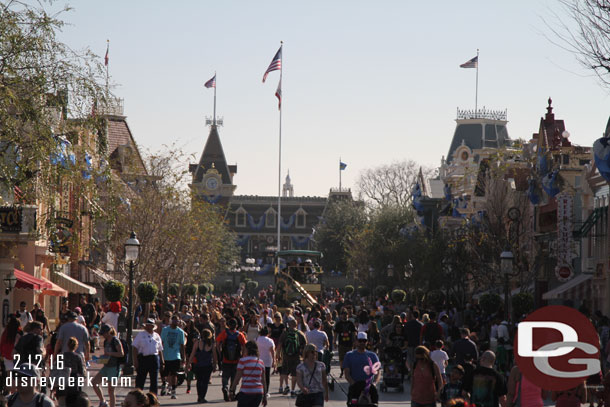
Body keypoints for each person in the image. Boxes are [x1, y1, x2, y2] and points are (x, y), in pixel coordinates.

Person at [343, 332, 380, 405]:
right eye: (360, 341)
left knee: (374, 402)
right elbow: (347, 373)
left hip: (369, 386)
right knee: (352, 403)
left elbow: (378, 372)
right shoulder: (349, 355)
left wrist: (375, 383)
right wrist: (353, 383)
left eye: (364, 341)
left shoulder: (372, 355)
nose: (362, 343)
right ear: (356, 341)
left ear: (367, 342)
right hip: (355, 385)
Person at [91, 324, 124, 407]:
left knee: (111, 390)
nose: (103, 335)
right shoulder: (106, 342)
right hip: (107, 366)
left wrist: (110, 353)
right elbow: (106, 354)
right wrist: (99, 359)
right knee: (94, 382)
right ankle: (103, 401)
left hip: (114, 367)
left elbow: (121, 353)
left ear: (108, 332)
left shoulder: (115, 340)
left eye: (104, 333)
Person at [216, 318, 247, 401]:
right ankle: (231, 392)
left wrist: (220, 352)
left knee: (225, 376)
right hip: (236, 359)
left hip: (226, 359)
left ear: (228, 325)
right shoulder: (239, 335)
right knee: (234, 377)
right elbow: (245, 345)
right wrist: (242, 355)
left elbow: (217, 342)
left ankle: (225, 387)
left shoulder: (224, 333)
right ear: (236, 325)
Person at [229, 340, 267, 407]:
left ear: (247, 349)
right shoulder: (261, 362)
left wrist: (232, 390)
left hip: (246, 392)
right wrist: (265, 396)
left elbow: (237, 378)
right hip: (258, 393)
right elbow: (263, 381)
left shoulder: (242, 361)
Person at [132, 318, 165, 395]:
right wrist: (135, 361)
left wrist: (162, 362)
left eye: (151, 325)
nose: (149, 327)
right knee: (140, 380)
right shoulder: (141, 335)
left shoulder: (157, 336)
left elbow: (160, 349)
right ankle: (138, 397)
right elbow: (134, 348)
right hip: (143, 358)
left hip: (154, 358)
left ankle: (153, 397)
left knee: (154, 381)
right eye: (148, 325)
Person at [277, 317, 307, 397]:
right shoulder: (300, 333)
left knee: (284, 372)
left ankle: (285, 386)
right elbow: (305, 346)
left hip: (286, 356)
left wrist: (278, 355)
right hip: (296, 357)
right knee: (294, 374)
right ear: (296, 325)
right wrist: (304, 357)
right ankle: (293, 390)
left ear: (289, 325)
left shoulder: (284, 333)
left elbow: (279, 345)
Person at [186, 328, 217, 403]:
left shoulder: (197, 343)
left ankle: (199, 396)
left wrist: (189, 363)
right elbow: (214, 356)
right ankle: (202, 396)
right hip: (207, 365)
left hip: (198, 365)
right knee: (205, 382)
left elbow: (193, 354)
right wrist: (215, 364)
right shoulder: (211, 344)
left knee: (199, 381)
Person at [160, 315, 185, 399]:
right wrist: (160, 354)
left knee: (174, 374)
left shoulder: (180, 332)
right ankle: (164, 384)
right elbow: (161, 343)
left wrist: (183, 357)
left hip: (175, 355)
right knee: (164, 373)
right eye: (174, 320)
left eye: (177, 321)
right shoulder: (165, 330)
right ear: (171, 321)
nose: (176, 322)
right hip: (166, 355)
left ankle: (173, 391)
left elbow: (182, 345)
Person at [56, 337, 86, 406]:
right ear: (76, 346)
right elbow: (81, 371)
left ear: (67, 345)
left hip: (62, 379)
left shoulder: (61, 355)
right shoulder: (78, 357)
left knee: (62, 401)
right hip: (74, 381)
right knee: (73, 402)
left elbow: (57, 368)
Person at [335, 310, 356, 378]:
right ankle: (342, 371)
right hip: (341, 343)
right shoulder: (338, 324)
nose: (344, 316)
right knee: (341, 358)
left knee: (350, 358)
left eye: (346, 314)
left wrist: (355, 341)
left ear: (348, 315)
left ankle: (350, 371)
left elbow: (353, 332)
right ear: (341, 315)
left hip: (349, 343)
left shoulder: (350, 323)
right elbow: (336, 333)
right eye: (343, 314)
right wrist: (334, 341)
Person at [256, 326, 275, 398]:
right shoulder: (270, 341)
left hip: (258, 360)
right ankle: (266, 391)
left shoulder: (257, 339)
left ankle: (259, 390)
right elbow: (272, 351)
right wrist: (274, 361)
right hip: (267, 361)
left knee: (259, 376)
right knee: (267, 377)